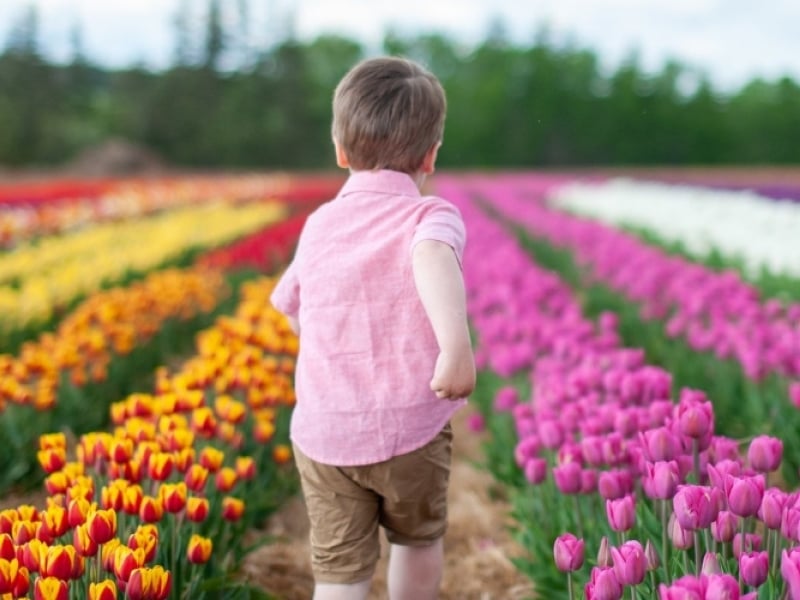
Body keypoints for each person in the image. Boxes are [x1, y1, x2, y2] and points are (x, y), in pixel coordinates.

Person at [270, 56, 476, 600]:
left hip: (326, 431)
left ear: (340, 152)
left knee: (339, 568)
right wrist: (454, 346)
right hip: (412, 427)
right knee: (416, 541)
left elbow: (291, 304)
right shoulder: (428, 217)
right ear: (431, 154)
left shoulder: (319, 225)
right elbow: (431, 256)